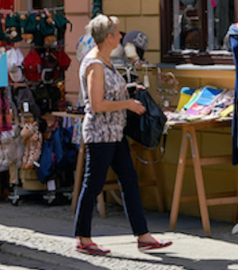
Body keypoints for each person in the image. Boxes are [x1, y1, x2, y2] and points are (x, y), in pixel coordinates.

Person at [73, 14, 171, 256]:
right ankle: (82, 238)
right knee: (93, 184)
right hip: (101, 134)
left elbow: (109, 91)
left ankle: (143, 236)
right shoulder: (95, 64)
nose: (120, 37)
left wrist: (128, 89)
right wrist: (127, 103)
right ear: (109, 37)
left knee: (129, 180)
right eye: (118, 33)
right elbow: (97, 103)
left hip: (114, 133)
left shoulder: (104, 60)